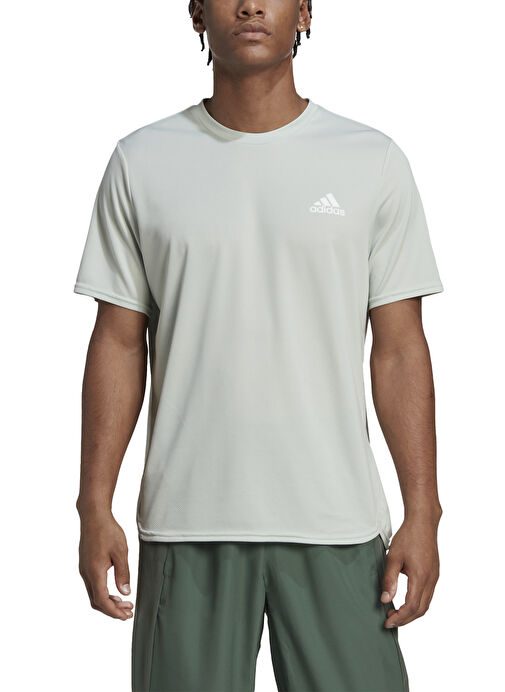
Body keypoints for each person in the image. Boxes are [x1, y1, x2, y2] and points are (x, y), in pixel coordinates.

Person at [74, 1, 444, 690]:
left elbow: (398, 349)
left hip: (335, 519)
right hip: (188, 521)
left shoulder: (371, 161)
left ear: (304, 12)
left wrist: (424, 513)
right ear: (196, 14)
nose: (250, 5)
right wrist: (93, 505)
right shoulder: (141, 161)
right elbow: (119, 342)